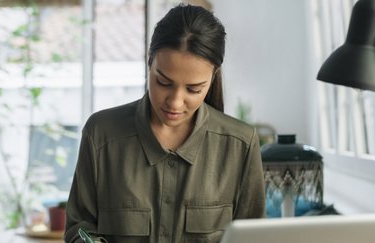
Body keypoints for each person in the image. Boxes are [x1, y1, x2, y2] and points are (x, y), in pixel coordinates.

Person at [64, 4, 265, 243]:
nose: (175, 102)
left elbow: (253, 237)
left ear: (213, 77)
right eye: (163, 82)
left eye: (193, 89)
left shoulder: (240, 144)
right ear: (150, 62)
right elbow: (79, 227)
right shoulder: (101, 134)